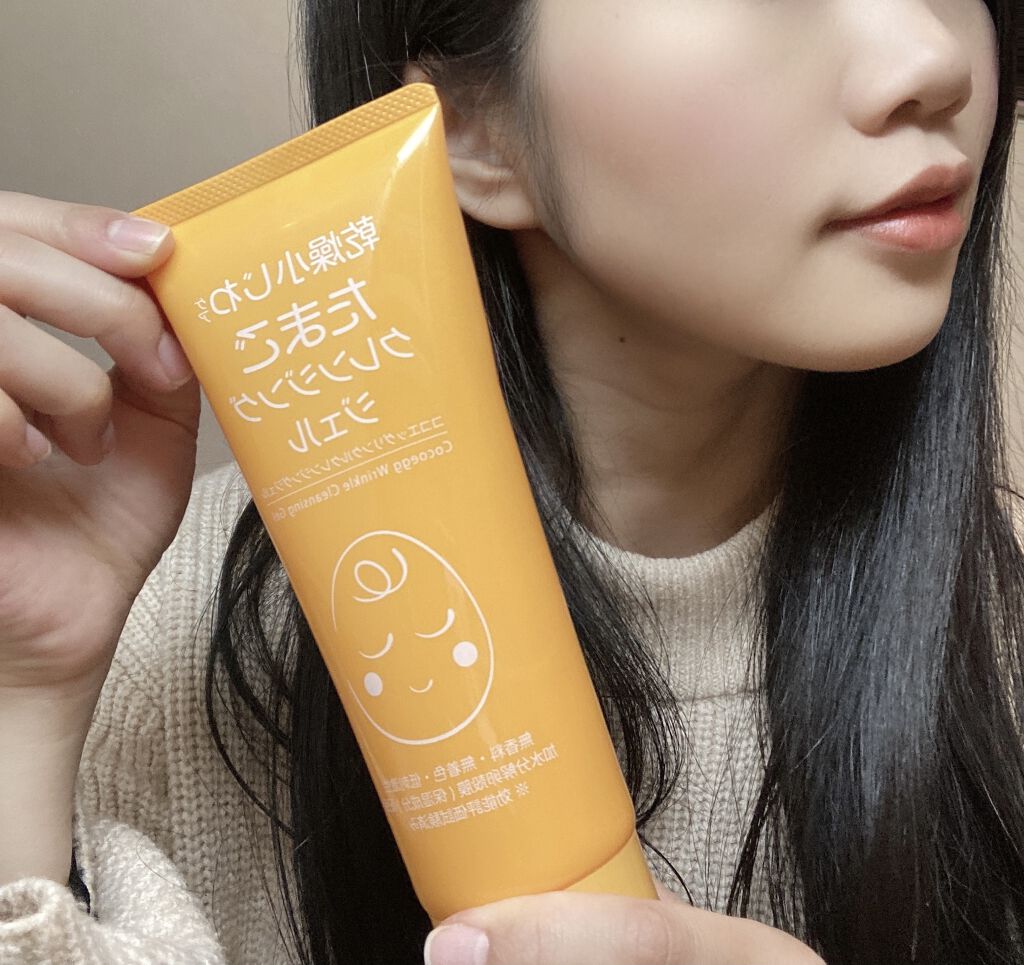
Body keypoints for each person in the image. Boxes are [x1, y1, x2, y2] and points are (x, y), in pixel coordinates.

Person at [1, 0, 1022, 962]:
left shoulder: (1000, 639)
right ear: (472, 126)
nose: (931, 57)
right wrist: (21, 712)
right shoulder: (130, 646)